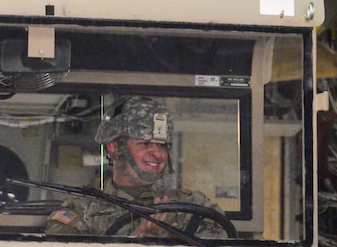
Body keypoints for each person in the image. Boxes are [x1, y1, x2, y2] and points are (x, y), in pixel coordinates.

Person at [45, 95, 227, 238]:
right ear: (115, 148)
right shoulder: (79, 210)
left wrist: (176, 245)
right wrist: (134, 245)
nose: (157, 153)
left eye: (162, 145)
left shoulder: (193, 206)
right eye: (145, 144)